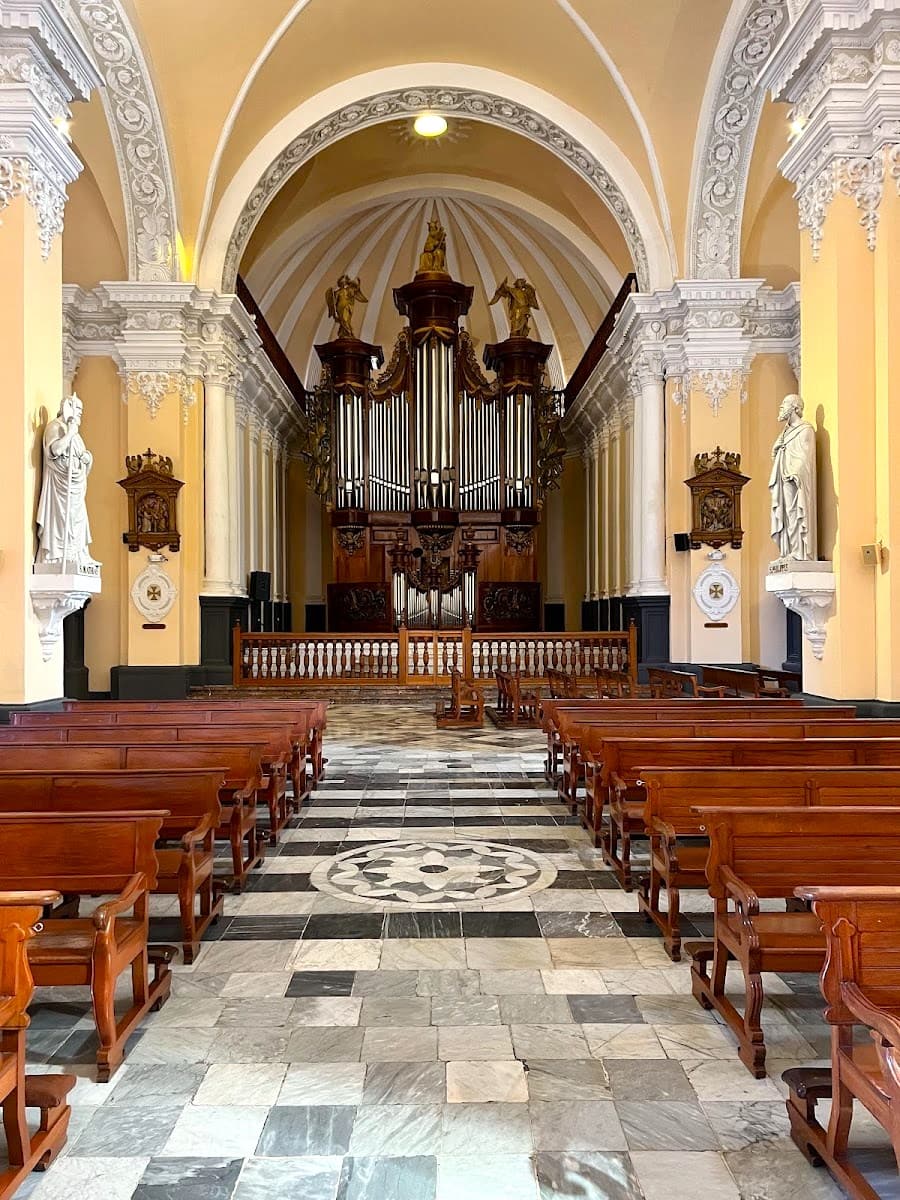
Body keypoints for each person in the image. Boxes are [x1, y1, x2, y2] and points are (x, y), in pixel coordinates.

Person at [36, 394, 97, 567]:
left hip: (75, 486)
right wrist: (70, 433)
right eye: (78, 409)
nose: (80, 414)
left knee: (78, 519)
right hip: (60, 488)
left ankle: (78, 553)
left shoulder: (76, 434)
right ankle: (58, 555)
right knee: (63, 519)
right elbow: (54, 451)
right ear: (67, 408)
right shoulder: (55, 427)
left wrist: (87, 458)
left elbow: (82, 458)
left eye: (81, 411)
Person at [769, 393, 817, 561]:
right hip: (783, 478)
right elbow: (779, 454)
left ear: (795, 408)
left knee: (794, 512)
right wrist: (776, 451)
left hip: (794, 478)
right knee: (785, 513)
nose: (781, 407)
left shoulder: (805, 430)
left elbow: (806, 456)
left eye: (784, 404)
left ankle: (798, 552)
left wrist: (795, 472)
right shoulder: (785, 433)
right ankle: (788, 551)